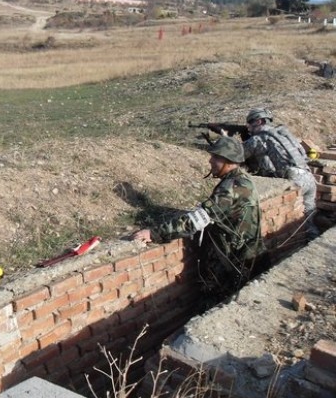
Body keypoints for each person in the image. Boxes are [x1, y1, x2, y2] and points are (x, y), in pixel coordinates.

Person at [133, 137, 262, 300]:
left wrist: (155, 233)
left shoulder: (231, 188)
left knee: (216, 305)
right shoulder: (242, 180)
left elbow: (195, 221)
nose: (210, 160)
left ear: (228, 160)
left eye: (216, 157)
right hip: (244, 256)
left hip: (233, 262)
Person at [242, 107, 319, 239]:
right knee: (308, 216)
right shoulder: (282, 133)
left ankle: (294, 245)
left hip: (295, 179)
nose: (248, 127)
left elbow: (238, 154)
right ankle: (312, 239)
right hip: (309, 177)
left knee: (287, 223)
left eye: (250, 122)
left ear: (259, 121)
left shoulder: (261, 138)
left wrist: (226, 140)